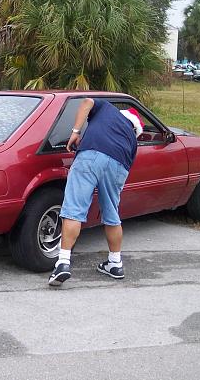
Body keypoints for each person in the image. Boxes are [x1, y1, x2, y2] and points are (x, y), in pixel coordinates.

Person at [48, 98, 143, 286]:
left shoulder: (107, 108)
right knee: (112, 213)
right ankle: (115, 264)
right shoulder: (132, 140)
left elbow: (86, 102)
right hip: (119, 165)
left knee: (74, 209)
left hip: (90, 155)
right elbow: (126, 168)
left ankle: (63, 263)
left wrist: (75, 132)